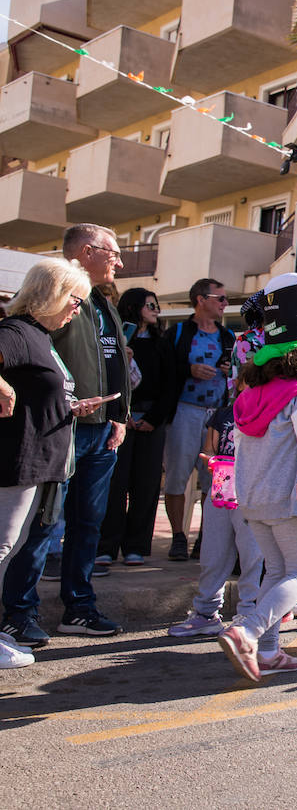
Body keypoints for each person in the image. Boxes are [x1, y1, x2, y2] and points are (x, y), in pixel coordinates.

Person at [3, 224, 131, 643]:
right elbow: (32, 361)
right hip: (61, 432)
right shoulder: (54, 302)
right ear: (87, 252)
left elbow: (115, 366)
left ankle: (79, 607)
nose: (120, 262)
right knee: (42, 524)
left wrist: (120, 415)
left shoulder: (102, 304)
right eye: (113, 254)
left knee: (87, 525)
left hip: (101, 429)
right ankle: (19, 612)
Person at [217, 273, 297, 682]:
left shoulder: (250, 394)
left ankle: (267, 651)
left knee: (276, 571)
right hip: (291, 500)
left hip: (253, 500)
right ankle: (248, 633)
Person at [0, 260, 107, 665]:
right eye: (75, 300)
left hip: (38, 464)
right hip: (15, 462)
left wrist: (70, 406)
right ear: (52, 294)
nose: (76, 310)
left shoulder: (40, 337)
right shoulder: (17, 332)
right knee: (1, 548)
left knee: (8, 550)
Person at [166, 376, 266, 640]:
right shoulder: (223, 414)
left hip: (251, 494)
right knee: (213, 553)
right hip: (221, 490)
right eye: (249, 383)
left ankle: (248, 614)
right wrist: (211, 460)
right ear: (239, 385)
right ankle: (206, 612)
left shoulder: (269, 414)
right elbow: (210, 449)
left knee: (252, 555)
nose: (253, 389)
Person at [99, 289, 176, 566]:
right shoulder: (114, 338)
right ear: (133, 307)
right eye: (150, 305)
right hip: (120, 419)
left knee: (146, 486)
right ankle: (105, 546)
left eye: (157, 304)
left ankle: (137, 546)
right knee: (114, 485)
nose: (156, 309)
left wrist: (154, 419)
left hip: (152, 421)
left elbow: (170, 384)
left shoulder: (163, 342)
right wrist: (123, 414)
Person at [162, 277, 235, 562]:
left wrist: (228, 369)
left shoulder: (227, 336)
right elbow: (165, 369)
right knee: (177, 476)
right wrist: (188, 369)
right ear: (201, 300)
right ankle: (178, 537)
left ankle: (205, 537)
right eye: (220, 298)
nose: (224, 304)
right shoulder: (179, 332)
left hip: (216, 414)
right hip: (184, 409)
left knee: (213, 479)